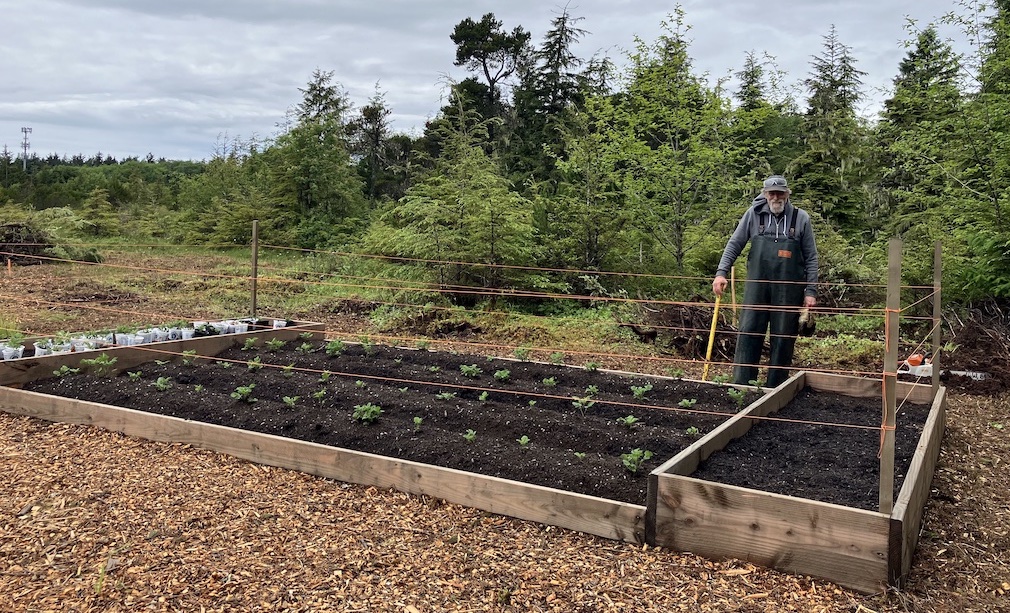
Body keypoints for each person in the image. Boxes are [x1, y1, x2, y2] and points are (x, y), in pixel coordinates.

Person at [712, 175, 818, 387]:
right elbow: (734, 244)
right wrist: (721, 273)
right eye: (772, 193)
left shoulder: (801, 218)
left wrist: (811, 291)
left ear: (787, 194)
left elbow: (811, 257)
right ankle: (742, 386)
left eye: (780, 193)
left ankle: (776, 389)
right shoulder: (753, 215)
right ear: (765, 194)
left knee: (783, 336)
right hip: (757, 288)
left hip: (788, 291)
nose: (776, 197)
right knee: (749, 331)